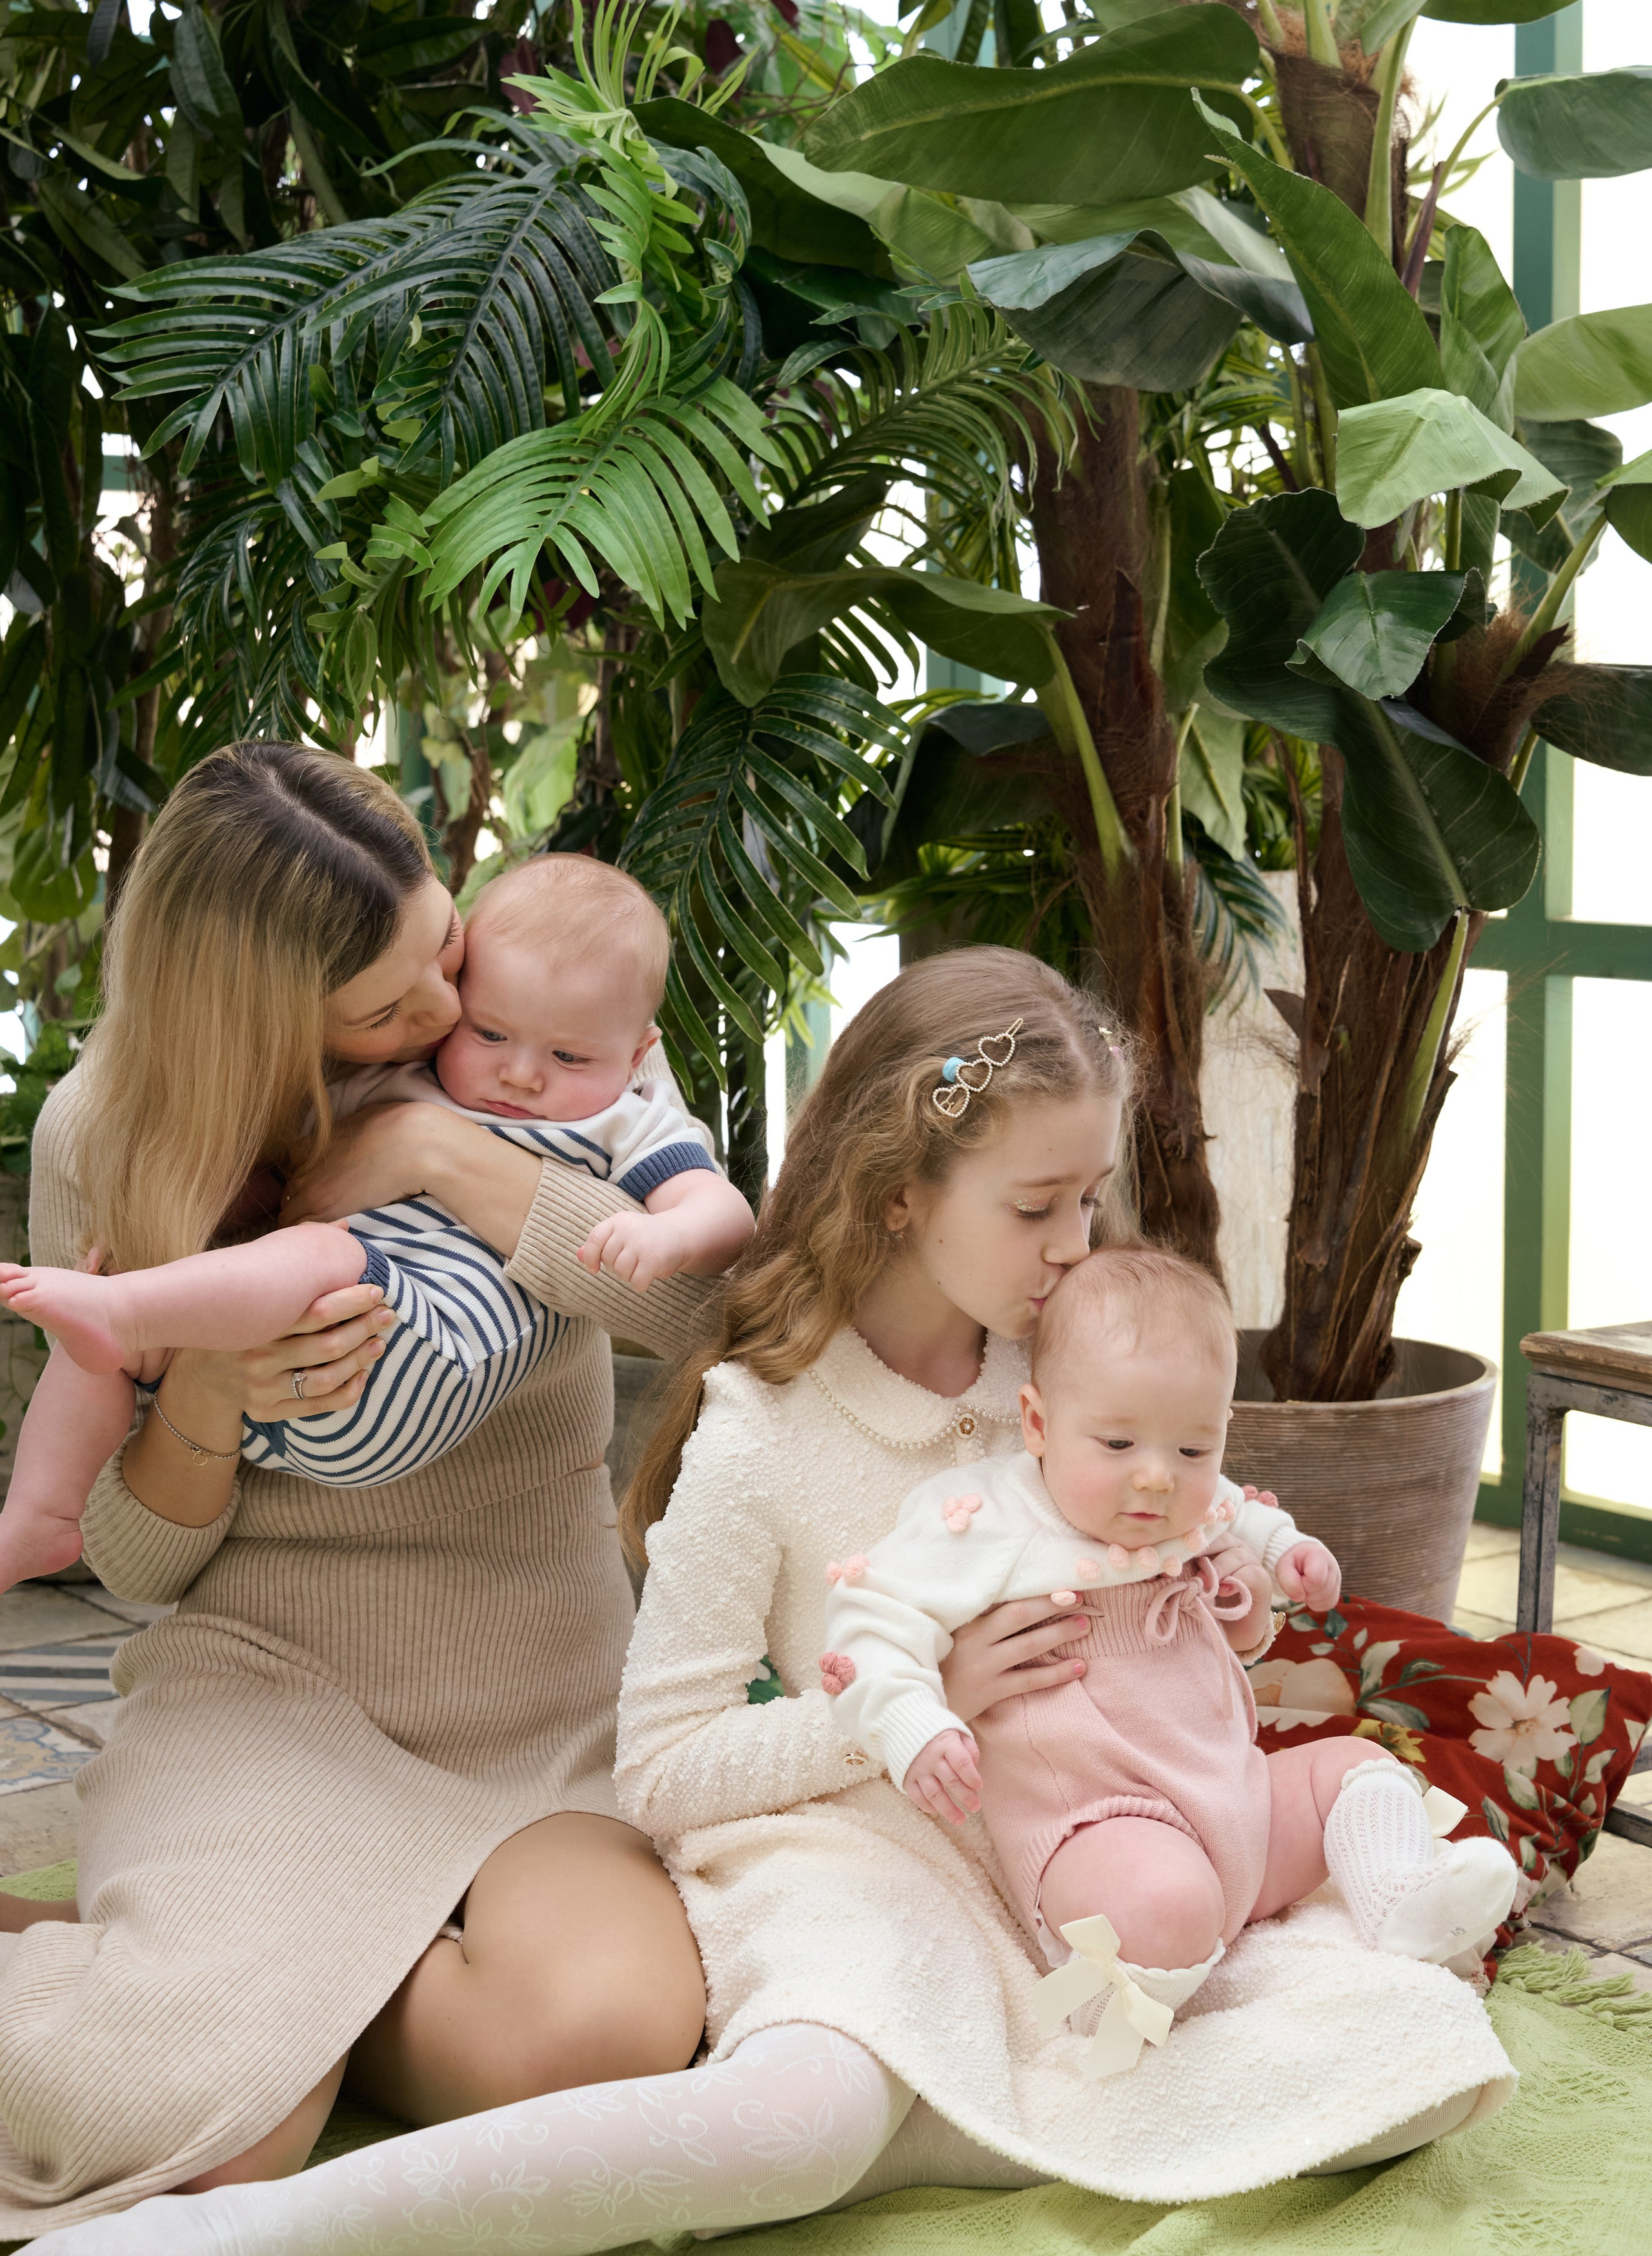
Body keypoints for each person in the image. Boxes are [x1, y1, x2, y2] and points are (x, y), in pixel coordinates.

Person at [57, 949, 1516, 2255]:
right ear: (902, 1192)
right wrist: (903, 1713)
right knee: (801, 2120)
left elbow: (1192, 1582)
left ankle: (1002, 2082)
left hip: (1103, 1848)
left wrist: (1230, 1607)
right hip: (858, 1854)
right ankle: (252, 2230)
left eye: (1086, 1198)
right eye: (1034, 1205)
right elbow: (669, 1765)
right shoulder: (767, 1424)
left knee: (1413, 2066)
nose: (1076, 1242)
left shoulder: (1082, 1377)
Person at [0, 742, 712, 2239]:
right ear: (260, 1022)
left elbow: (717, 1316)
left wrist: (441, 1149)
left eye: (436, 947)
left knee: (601, 2037)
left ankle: (252, 1971)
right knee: (216, 2142)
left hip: (536, 1697)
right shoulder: (106, 1135)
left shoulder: (545, 1026)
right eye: (392, 1005)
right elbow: (130, 1558)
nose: (451, 1012)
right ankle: (241, 1988)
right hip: (266, 1684)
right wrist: (207, 1390)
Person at [828, 1243, 1518, 2077]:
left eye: (1193, 1450)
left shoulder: (1192, 1508)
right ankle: (1105, 2008)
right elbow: (873, 1619)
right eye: (1118, 1444)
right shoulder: (988, 1521)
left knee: (1357, 1768)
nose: (1158, 1480)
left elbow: (1246, 1521)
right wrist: (915, 1721)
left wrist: (1285, 1564)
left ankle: (1404, 1905)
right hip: (1107, 1828)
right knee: (1162, 1904)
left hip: (1241, 1810)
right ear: (1040, 1424)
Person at [0, 852, 752, 1580]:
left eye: (447, 944)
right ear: (282, 1004)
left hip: (420, 1353)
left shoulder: (614, 1080)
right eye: (487, 1033)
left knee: (311, 1256)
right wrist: (200, 1370)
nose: (520, 1071)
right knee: (104, 1328)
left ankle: (130, 1311)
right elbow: (290, 1181)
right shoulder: (105, 1125)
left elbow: (731, 1283)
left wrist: (657, 1230)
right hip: (272, 1512)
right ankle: (38, 1511)